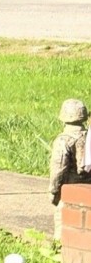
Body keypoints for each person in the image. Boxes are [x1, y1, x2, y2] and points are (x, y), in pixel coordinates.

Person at [50, 97, 91, 239]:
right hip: (88, 185)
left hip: (69, 187)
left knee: (62, 220)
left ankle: (59, 245)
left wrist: (54, 190)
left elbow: (58, 168)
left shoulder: (63, 140)